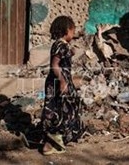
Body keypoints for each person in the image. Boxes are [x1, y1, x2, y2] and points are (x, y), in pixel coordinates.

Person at [40, 15, 85, 155]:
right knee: (59, 109)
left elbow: (63, 57)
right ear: (66, 31)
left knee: (67, 107)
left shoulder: (62, 45)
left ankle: (62, 137)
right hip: (58, 81)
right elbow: (54, 65)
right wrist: (62, 81)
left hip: (62, 80)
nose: (74, 33)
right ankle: (52, 142)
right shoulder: (60, 45)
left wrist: (71, 52)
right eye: (72, 31)